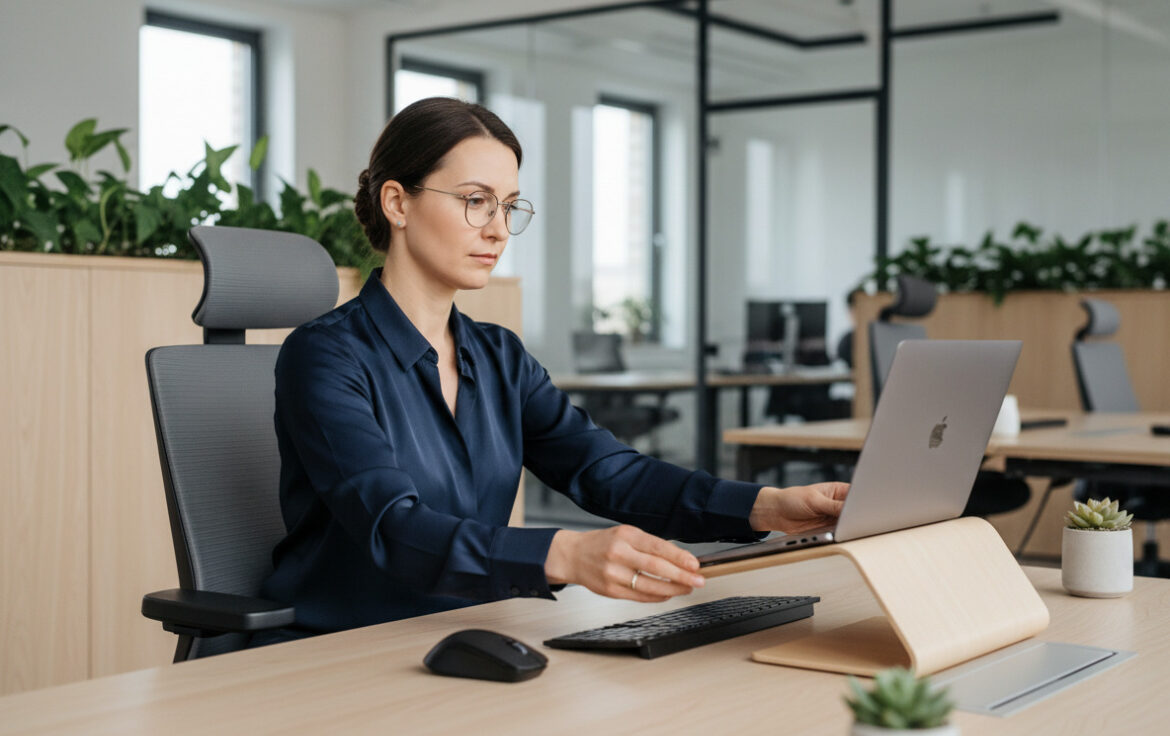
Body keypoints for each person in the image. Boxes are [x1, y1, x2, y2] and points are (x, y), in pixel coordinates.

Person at [258, 97, 847, 641]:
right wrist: (564, 554)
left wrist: (766, 506)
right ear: (397, 203)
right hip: (342, 648)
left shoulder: (499, 356)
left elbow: (609, 473)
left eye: (508, 206)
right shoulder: (326, 355)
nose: (497, 229)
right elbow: (392, 526)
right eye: (475, 201)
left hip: (469, 634)